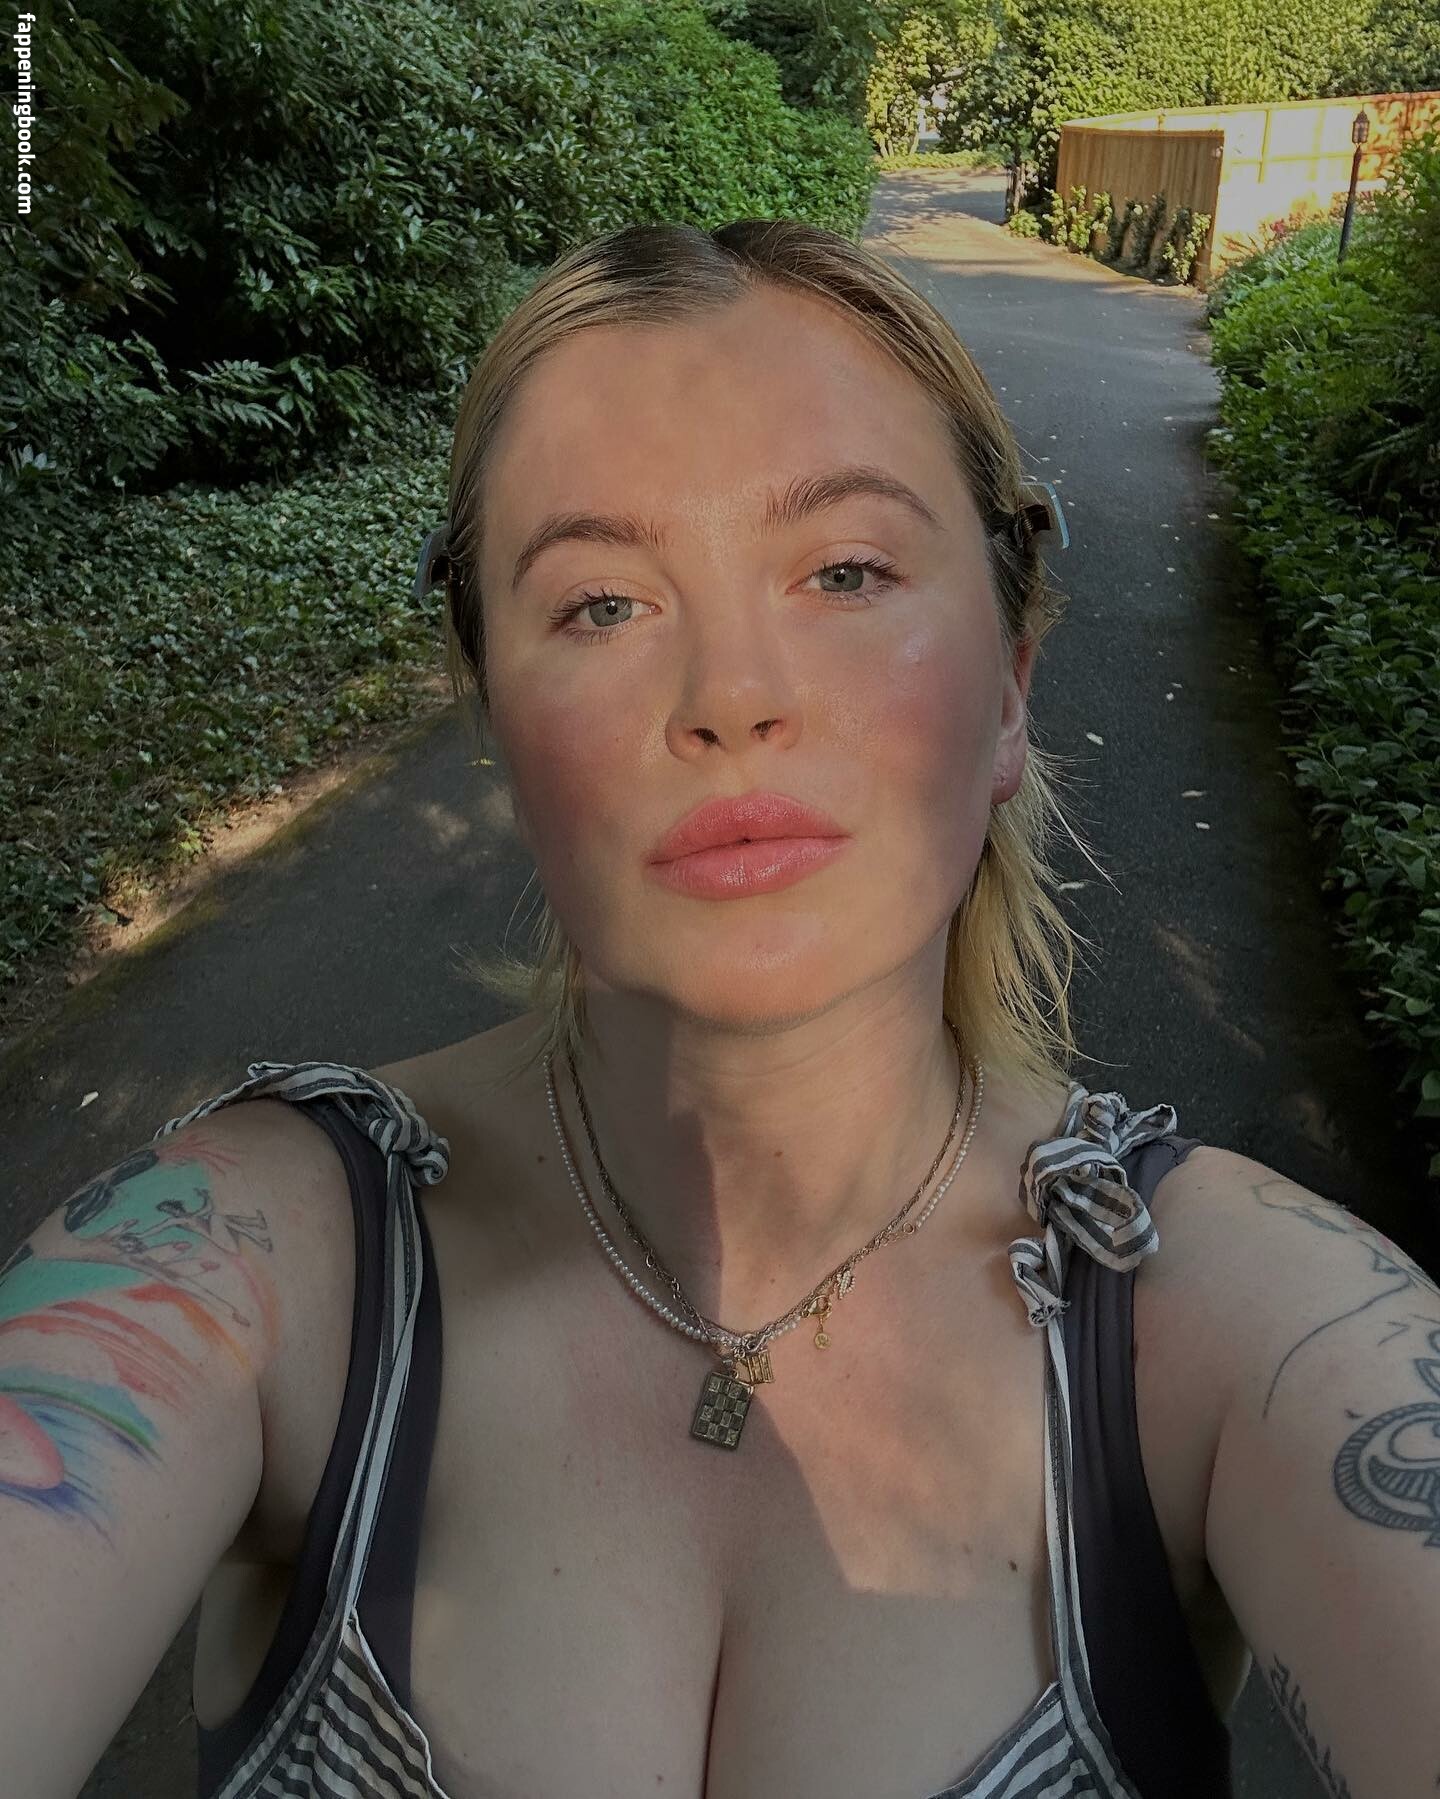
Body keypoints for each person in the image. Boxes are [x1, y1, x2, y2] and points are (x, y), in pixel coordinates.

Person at [5, 219, 1434, 1799]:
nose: (731, 697)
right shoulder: (243, 1263)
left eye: (846, 571)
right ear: (498, 714)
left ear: (1013, 683)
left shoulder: (1262, 1329)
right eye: (600, 604)